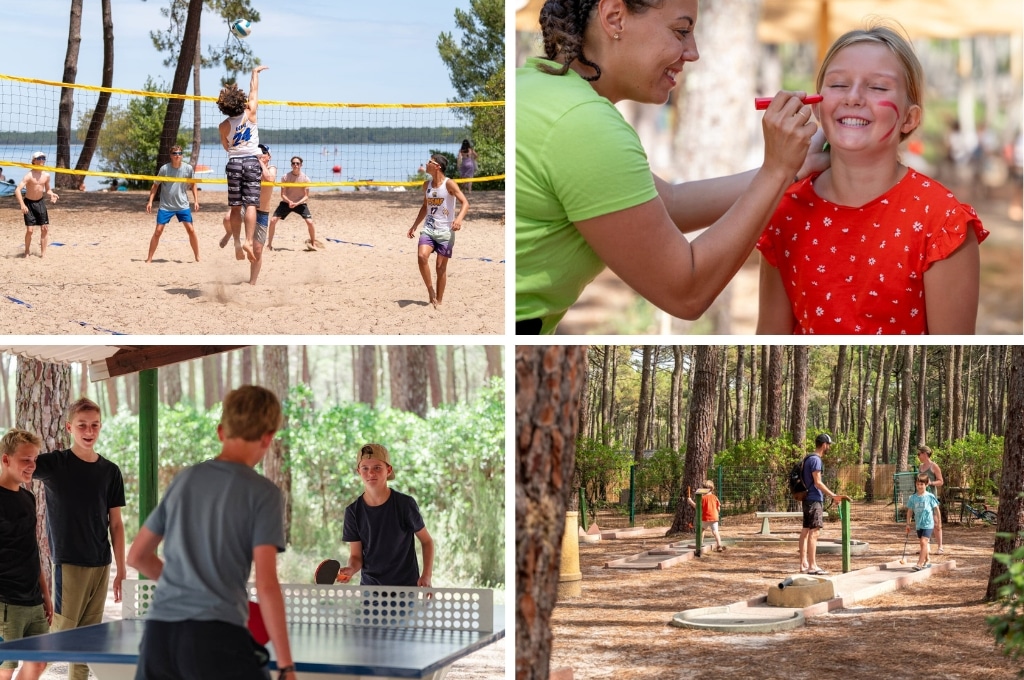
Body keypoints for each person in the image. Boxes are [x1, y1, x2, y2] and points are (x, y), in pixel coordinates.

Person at [515, 0, 827, 335]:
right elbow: (686, 293)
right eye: (681, 31)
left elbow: (670, 204)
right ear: (614, 17)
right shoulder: (583, 123)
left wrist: (793, 166)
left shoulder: (536, 85)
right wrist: (776, 173)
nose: (693, 52)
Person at [756, 24, 989, 335]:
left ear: (910, 118)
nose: (853, 97)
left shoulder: (942, 223)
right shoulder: (785, 211)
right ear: (816, 105)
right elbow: (771, 338)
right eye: (838, 84)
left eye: (878, 87)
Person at [127, 385, 297, 680]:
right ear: (268, 438)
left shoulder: (185, 480)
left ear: (221, 431)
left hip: (159, 636)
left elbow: (138, 556)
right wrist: (286, 665)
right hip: (214, 637)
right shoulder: (264, 493)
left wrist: (186, 585)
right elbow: (267, 584)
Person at [32, 398, 125, 680]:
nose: (89, 431)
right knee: (62, 635)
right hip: (69, 562)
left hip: (101, 564)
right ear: (69, 427)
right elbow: (15, 464)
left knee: (86, 639)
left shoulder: (110, 471)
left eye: (95, 425)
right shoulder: (54, 464)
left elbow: (117, 525)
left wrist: (121, 569)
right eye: (82, 425)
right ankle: (26, 674)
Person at [336, 444, 434, 587]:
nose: (371, 473)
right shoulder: (352, 512)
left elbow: (427, 542)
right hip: (370, 591)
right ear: (359, 471)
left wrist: (426, 575)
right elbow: (356, 556)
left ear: (388, 470)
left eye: (377, 467)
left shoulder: (405, 504)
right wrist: (351, 569)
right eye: (365, 468)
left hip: (406, 590)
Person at [0, 429, 51, 680]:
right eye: (25, 460)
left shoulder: (28, 498)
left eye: (34, 460)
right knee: (4, 669)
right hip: (5, 602)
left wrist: (46, 594)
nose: (32, 466)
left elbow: (32, 548)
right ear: (6, 459)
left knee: (39, 662)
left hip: (33, 600)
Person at [218, 65, 269, 263]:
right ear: (241, 101)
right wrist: (254, 74)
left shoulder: (223, 126)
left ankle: (238, 243)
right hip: (251, 162)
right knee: (251, 205)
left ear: (224, 107)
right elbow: (254, 92)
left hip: (234, 163)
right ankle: (248, 241)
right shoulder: (250, 112)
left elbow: (226, 147)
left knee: (234, 206)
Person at [406, 154, 469, 309]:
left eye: (429, 162)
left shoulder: (449, 184)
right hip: (429, 228)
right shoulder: (426, 184)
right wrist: (414, 226)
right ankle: (430, 290)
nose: (426, 163)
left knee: (440, 268)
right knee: (422, 256)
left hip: (445, 231)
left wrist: (459, 220)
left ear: (437, 166)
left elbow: (465, 203)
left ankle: (439, 301)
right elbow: (424, 207)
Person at [220, 144, 277, 285]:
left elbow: (269, 178)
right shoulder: (249, 167)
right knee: (227, 218)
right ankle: (230, 233)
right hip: (249, 206)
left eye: (264, 152)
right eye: (258, 151)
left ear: (269, 156)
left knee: (257, 250)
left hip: (262, 212)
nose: (261, 153)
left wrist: (259, 162)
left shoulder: (271, 168)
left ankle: (252, 282)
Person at [798, 434, 848, 575]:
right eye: (829, 444)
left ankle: (803, 564)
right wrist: (833, 495)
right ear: (824, 444)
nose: (829, 447)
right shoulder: (816, 460)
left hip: (807, 499)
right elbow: (818, 482)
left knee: (806, 531)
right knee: (814, 532)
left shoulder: (808, 458)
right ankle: (812, 566)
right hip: (814, 500)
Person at [145, 145, 201, 263]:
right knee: (158, 231)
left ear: (182, 155)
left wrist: (196, 200)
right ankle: (149, 258)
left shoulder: (188, 168)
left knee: (191, 230)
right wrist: (150, 201)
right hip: (166, 206)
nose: (177, 156)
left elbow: (193, 185)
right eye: (175, 153)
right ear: (171, 156)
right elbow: (155, 186)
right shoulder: (164, 169)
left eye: (179, 153)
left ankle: (197, 256)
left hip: (182, 205)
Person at [267, 156, 321, 251]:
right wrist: (289, 201)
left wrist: (297, 203)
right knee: (272, 221)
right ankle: (269, 245)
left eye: (297, 163)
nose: (295, 165)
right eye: (293, 163)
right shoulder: (285, 177)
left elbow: (306, 196)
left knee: (310, 222)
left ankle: (313, 243)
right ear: (291, 165)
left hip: (300, 203)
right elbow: (282, 194)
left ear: (301, 165)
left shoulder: (305, 178)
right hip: (287, 202)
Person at [15, 152, 59, 258]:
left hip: (40, 202)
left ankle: (43, 254)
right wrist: (22, 205)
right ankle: (26, 252)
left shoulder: (46, 175)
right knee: (30, 230)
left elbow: (47, 190)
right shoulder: (29, 175)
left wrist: (52, 194)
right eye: (39, 158)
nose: (41, 160)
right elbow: (17, 190)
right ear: (34, 161)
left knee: (44, 228)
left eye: (43, 158)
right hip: (28, 203)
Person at [905, 474, 941, 571]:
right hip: (919, 524)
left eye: (922, 484)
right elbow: (909, 511)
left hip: (928, 523)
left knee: (923, 541)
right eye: (918, 484)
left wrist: (939, 523)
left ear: (926, 485)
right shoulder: (913, 498)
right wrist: (908, 524)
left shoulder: (930, 496)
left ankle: (919, 564)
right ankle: (927, 559)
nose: (920, 486)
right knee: (922, 544)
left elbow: (937, 509)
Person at [917, 444, 945, 553]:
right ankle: (925, 547)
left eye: (919, 454)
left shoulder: (934, 466)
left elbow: (941, 481)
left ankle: (940, 547)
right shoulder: (920, 467)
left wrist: (931, 483)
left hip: (931, 497)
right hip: (921, 498)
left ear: (925, 454)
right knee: (923, 522)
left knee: (936, 522)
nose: (918, 456)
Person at [686, 480, 724, 552]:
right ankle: (719, 545)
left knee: (702, 530)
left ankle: (700, 544)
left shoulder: (703, 498)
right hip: (714, 518)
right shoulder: (715, 497)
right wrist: (717, 513)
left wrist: (690, 501)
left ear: (704, 489)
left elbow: (697, 507)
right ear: (712, 489)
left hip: (705, 518)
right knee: (715, 532)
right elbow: (718, 508)